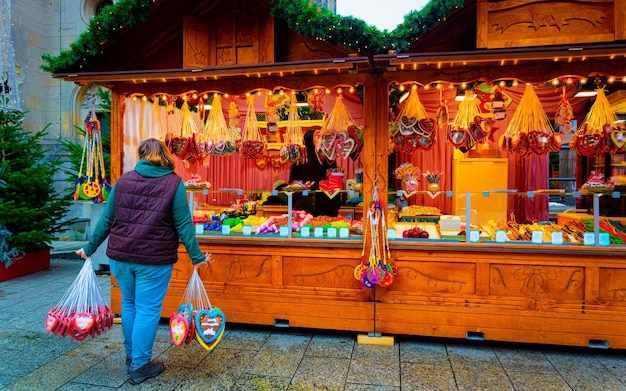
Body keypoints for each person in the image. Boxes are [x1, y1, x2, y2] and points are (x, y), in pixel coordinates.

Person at [76, 138, 208, 385]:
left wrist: (89, 248)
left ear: (141, 155)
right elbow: (183, 224)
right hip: (154, 260)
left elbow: (106, 219)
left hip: (120, 257)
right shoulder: (173, 182)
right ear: (164, 155)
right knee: (147, 309)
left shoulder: (124, 180)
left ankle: (131, 357)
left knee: (130, 304)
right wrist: (196, 256)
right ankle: (140, 364)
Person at [288, 129, 341, 217]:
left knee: (304, 229)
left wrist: (292, 204)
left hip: (307, 202)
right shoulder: (326, 157)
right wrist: (336, 205)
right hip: (320, 202)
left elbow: (293, 182)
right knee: (323, 229)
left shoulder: (300, 157)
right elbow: (334, 183)